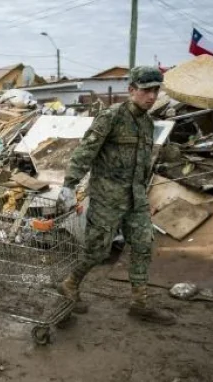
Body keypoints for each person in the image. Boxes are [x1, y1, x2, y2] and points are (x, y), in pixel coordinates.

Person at [56, 66, 176, 325]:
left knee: (143, 244)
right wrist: (69, 185)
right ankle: (70, 283)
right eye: (146, 90)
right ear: (132, 90)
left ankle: (139, 303)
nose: (152, 96)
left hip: (136, 197)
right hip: (107, 197)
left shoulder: (147, 122)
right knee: (97, 251)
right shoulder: (111, 117)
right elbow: (85, 151)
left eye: (156, 90)